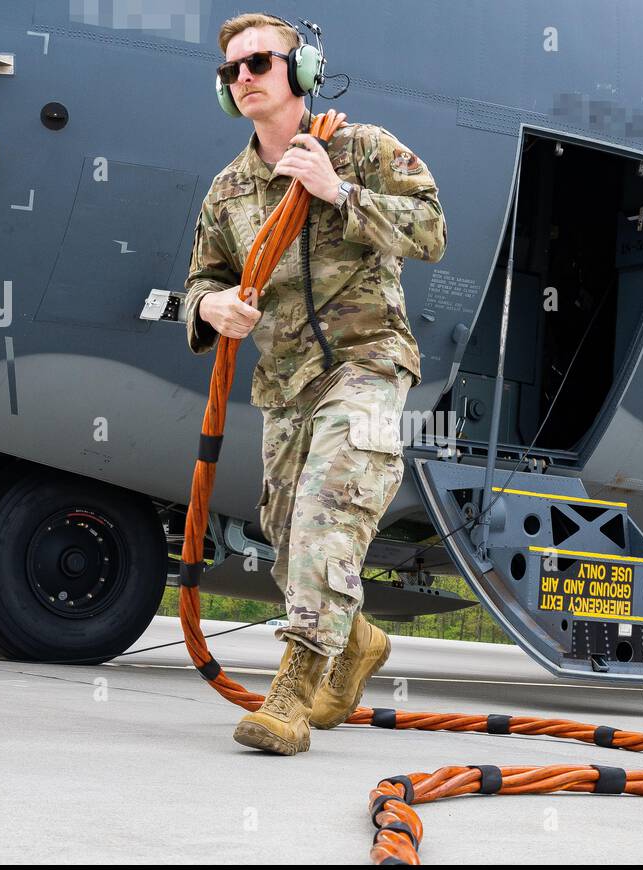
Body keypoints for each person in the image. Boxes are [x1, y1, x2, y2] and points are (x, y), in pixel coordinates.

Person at [182, 13, 446, 755]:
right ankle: (356, 640)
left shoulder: (361, 149)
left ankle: (292, 694)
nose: (244, 77)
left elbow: (431, 230)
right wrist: (211, 306)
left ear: (300, 72)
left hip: (368, 364)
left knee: (331, 508)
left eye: (259, 62)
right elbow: (201, 278)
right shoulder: (229, 190)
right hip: (286, 383)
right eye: (232, 70)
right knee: (291, 538)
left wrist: (339, 193)